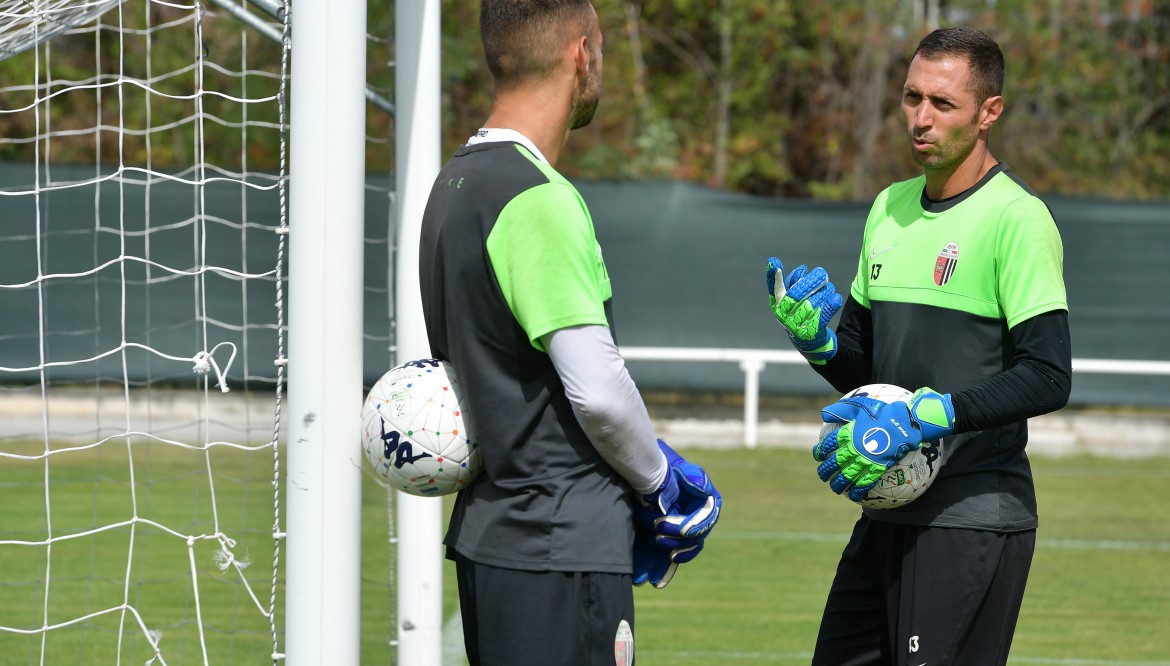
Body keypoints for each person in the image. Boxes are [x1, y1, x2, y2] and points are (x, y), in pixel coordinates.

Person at [418, 2, 721, 664]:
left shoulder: (454, 184)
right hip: (559, 544)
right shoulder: (537, 196)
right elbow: (600, 392)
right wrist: (661, 483)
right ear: (581, 53)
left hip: (493, 540)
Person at [765, 27, 1071, 665]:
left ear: (989, 113)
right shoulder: (888, 209)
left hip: (972, 517)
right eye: (911, 98)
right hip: (888, 509)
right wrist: (817, 342)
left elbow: (1048, 375)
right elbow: (865, 370)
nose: (920, 119)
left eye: (942, 103)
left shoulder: (1018, 219)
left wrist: (932, 415)